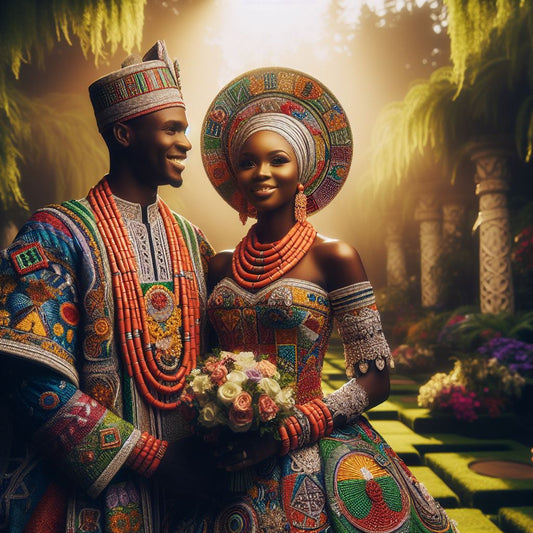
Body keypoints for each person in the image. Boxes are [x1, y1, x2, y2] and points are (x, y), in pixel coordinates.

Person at [173, 67, 459, 532]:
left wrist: (286, 432)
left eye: (277, 160)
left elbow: (375, 380)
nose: (260, 173)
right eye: (247, 161)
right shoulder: (220, 264)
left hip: (309, 444)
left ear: (301, 171)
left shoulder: (335, 257)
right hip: (224, 454)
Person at [0, 41, 218, 532]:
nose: (186, 143)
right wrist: (156, 459)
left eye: (185, 129)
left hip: (194, 500)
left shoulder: (194, 240)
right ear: (124, 132)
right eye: (172, 129)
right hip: (91, 501)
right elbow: (32, 384)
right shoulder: (54, 233)